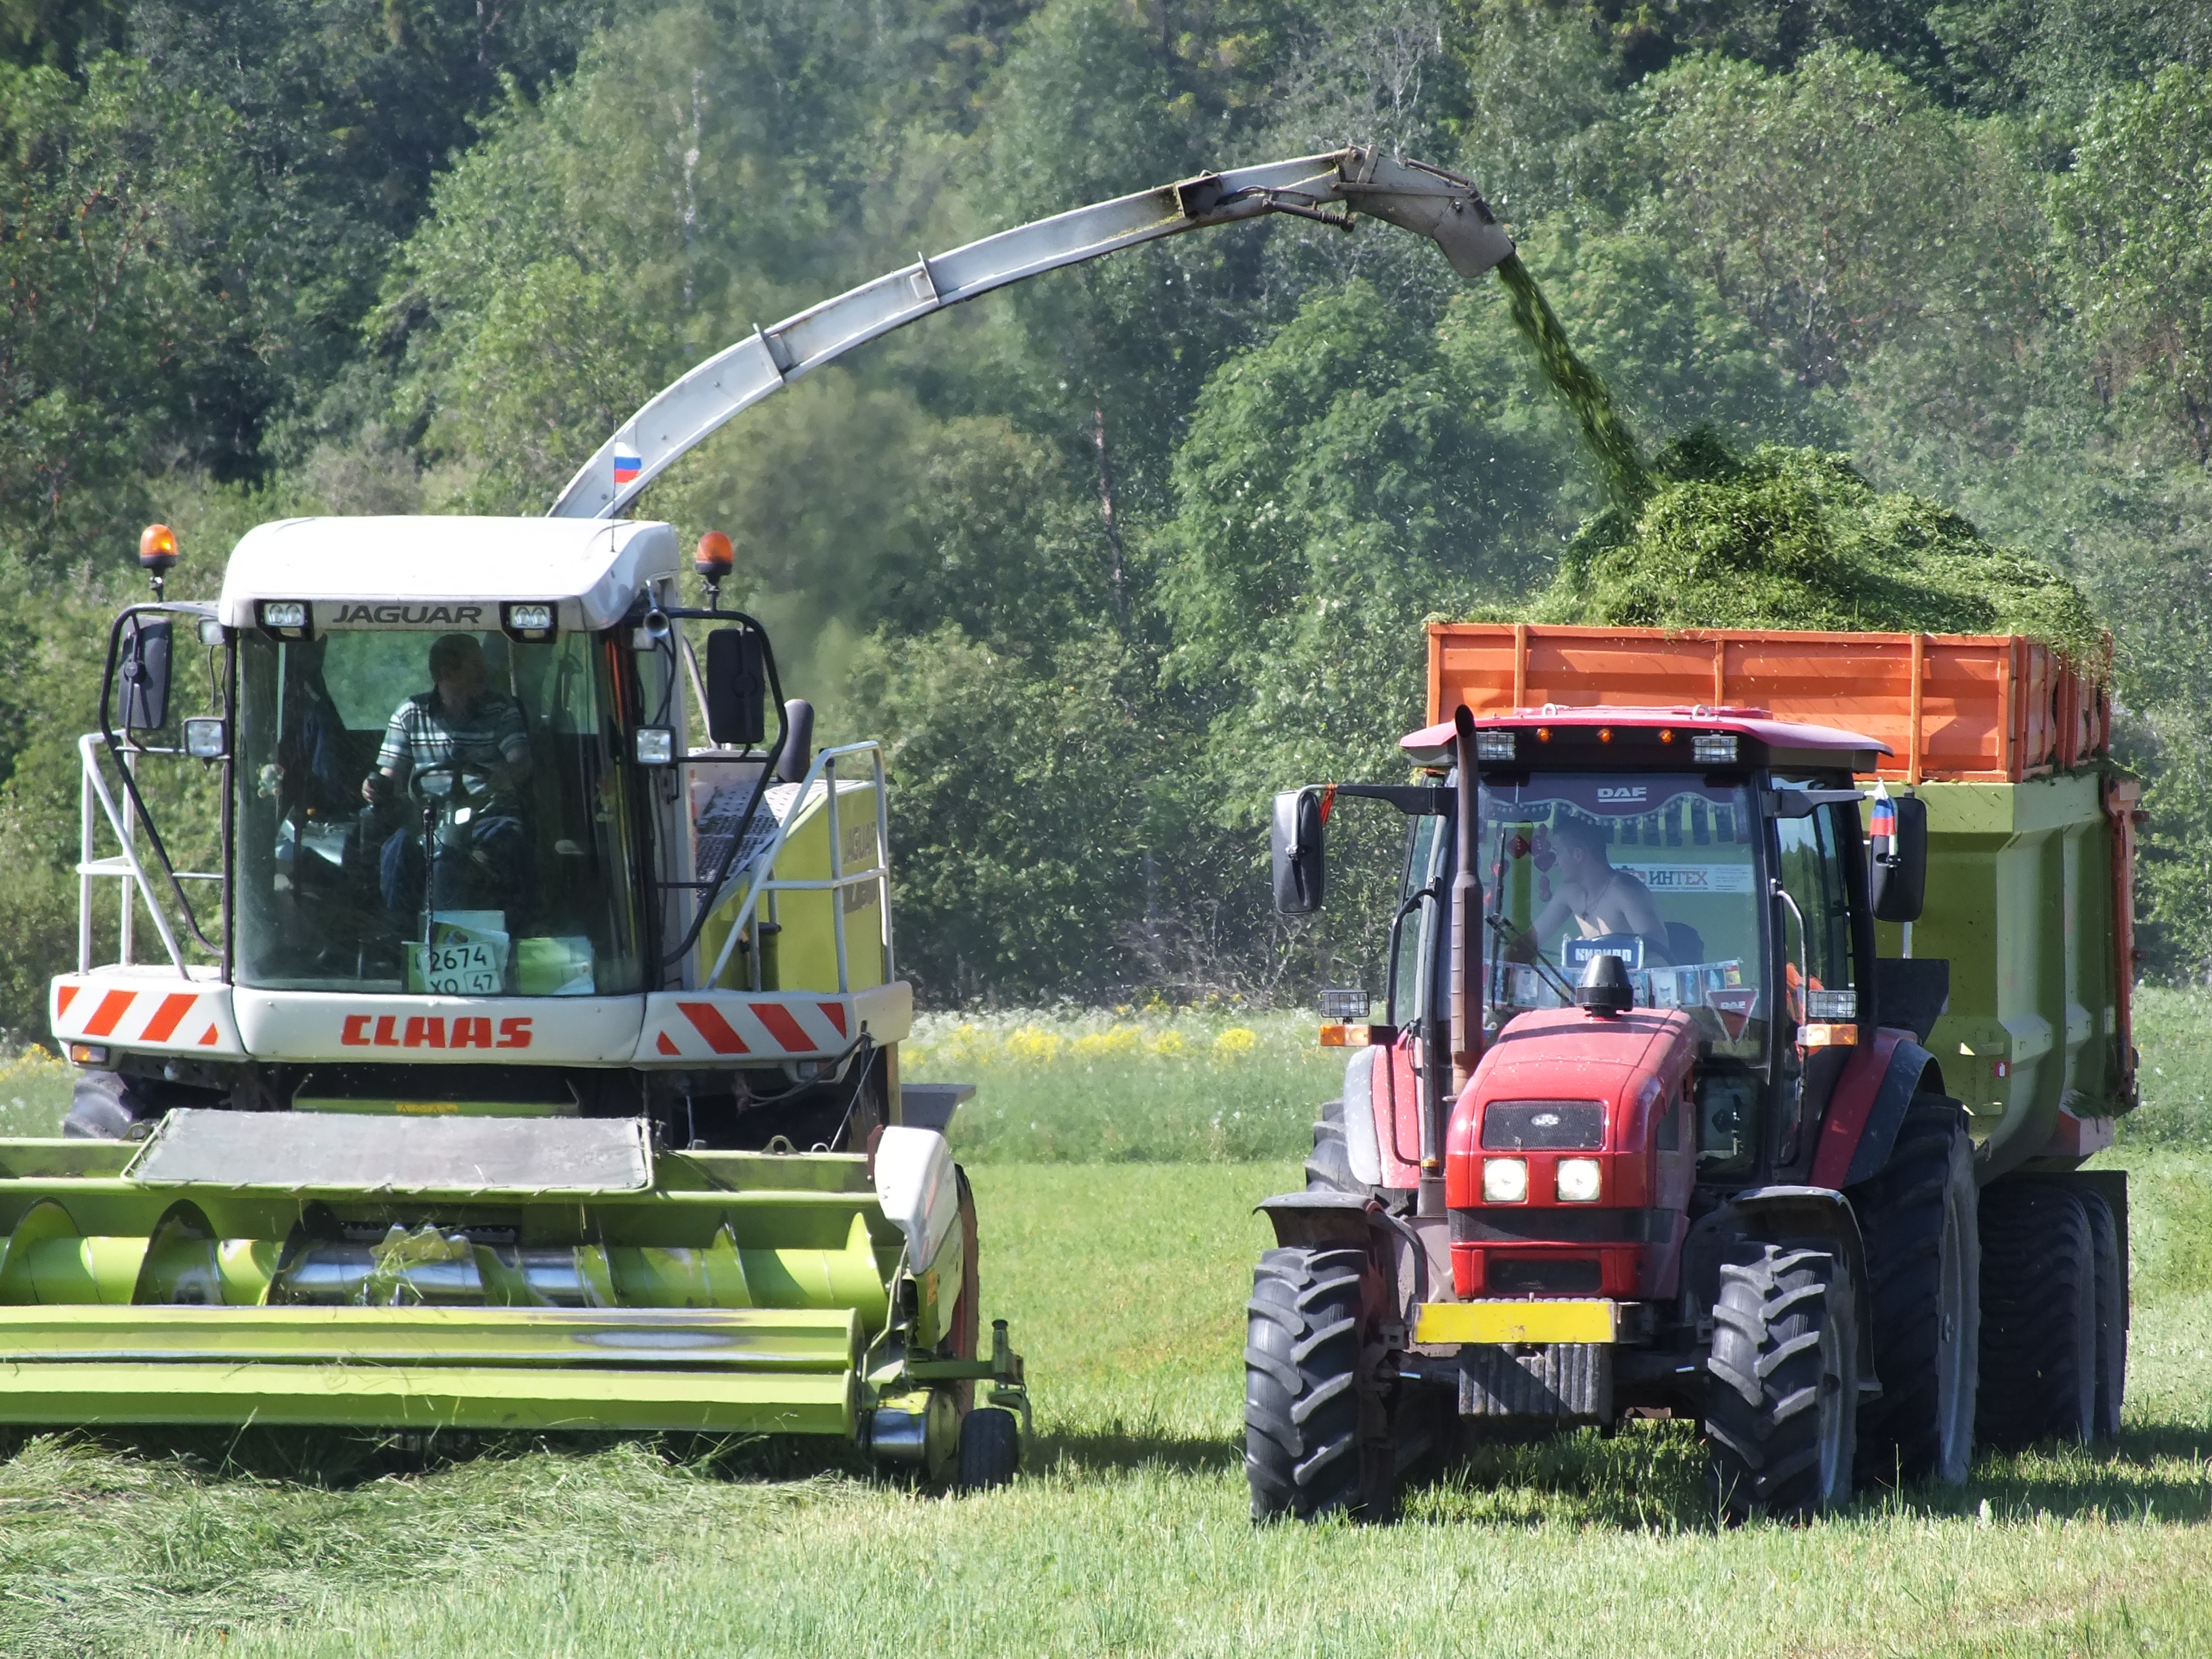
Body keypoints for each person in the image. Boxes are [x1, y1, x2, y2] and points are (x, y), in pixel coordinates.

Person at [363, 633, 532, 915]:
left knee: (511, 843)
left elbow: (522, 761)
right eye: (475, 664)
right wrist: (373, 787)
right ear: (447, 672)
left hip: (487, 817)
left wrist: (505, 774)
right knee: (397, 849)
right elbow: (389, 776)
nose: (485, 671)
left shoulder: (501, 709)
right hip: (428, 820)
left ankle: (513, 931)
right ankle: (396, 938)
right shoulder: (410, 714)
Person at [1504, 812, 1673, 968]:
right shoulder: (1568, 893)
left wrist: (1595, 950)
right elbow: (1527, 945)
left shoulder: (1625, 892)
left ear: (1578, 855)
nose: (1555, 862)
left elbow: (1659, 952)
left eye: (1558, 853)